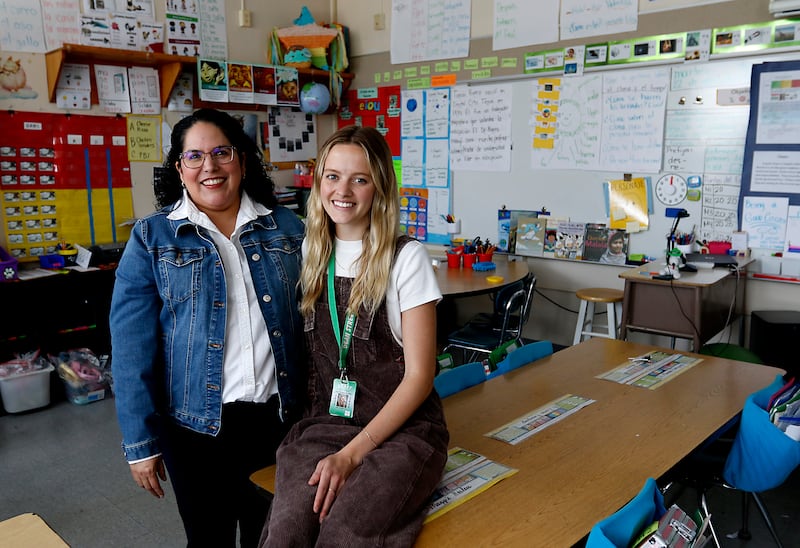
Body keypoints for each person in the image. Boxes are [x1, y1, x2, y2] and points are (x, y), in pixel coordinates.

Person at [110, 108, 306, 548]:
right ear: (179, 169)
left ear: (241, 158)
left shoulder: (290, 230)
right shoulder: (152, 238)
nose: (210, 167)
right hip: (194, 430)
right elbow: (130, 350)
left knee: (273, 537)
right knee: (208, 539)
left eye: (221, 152)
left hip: (278, 421)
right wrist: (140, 442)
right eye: (194, 156)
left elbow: (316, 325)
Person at [260, 126, 449, 546]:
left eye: (359, 179)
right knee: (286, 531)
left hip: (403, 433)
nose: (342, 190)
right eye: (332, 176)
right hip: (327, 424)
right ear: (318, 181)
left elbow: (420, 378)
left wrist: (351, 456)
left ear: (379, 187)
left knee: (345, 531)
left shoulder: (407, 258)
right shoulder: (313, 251)